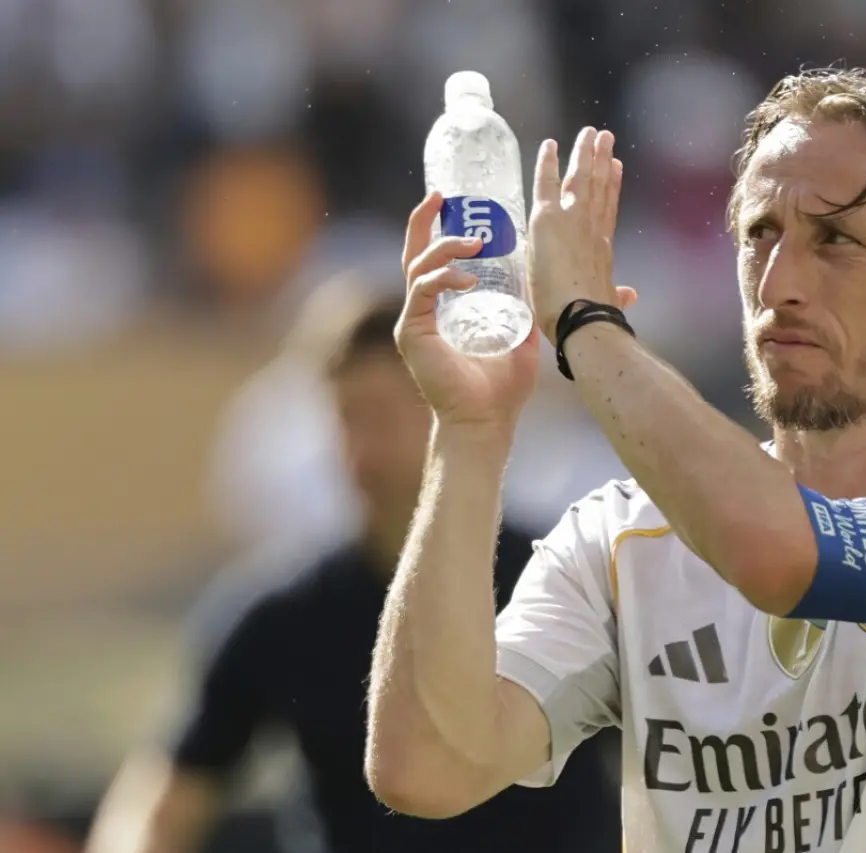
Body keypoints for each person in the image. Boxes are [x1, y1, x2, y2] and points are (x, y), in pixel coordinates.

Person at [366, 68, 866, 853]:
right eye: (761, 233)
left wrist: (586, 323)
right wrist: (470, 429)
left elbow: (780, 557)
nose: (778, 283)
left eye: (838, 239)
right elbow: (426, 766)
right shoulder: (622, 534)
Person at [85, 291, 621, 853]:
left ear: (449, 401)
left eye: (384, 416)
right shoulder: (284, 612)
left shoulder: (561, 582)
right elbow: (165, 799)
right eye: (348, 418)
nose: (364, 452)